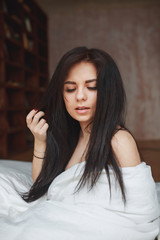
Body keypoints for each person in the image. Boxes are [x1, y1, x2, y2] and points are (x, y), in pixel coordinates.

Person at [0, 47, 159, 240]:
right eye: (70, 88)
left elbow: (142, 211)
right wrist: (40, 141)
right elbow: (43, 185)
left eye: (91, 87)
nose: (80, 96)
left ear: (108, 91)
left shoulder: (118, 139)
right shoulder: (71, 135)